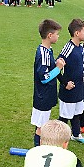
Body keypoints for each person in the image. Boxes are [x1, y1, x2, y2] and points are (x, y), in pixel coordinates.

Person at [31, 19, 65, 147]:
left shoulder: (48, 50)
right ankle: (38, 150)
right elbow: (44, 78)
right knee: (41, 127)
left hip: (46, 95)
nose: (58, 36)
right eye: (57, 34)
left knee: (42, 124)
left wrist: (55, 65)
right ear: (50, 35)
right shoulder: (43, 53)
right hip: (42, 96)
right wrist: (58, 68)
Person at [58, 18, 84, 144]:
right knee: (65, 116)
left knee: (77, 113)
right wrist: (65, 83)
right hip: (69, 90)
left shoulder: (80, 48)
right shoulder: (68, 47)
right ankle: (59, 137)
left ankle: (76, 134)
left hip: (79, 88)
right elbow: (57, 65)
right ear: (77, 33)